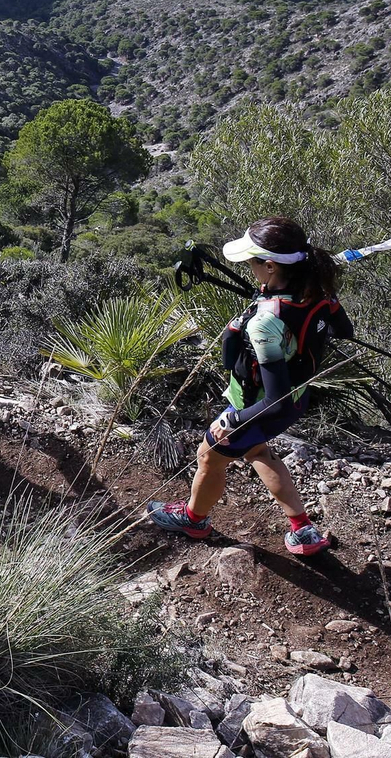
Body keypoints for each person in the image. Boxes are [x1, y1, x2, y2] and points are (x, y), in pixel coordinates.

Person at [148, 217, 353, 556]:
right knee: (257, 452)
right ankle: (302, 530)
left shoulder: (265, 322)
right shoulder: (317, 293)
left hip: (258, 406)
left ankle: (193, 519)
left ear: (270, 266)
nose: (249, 268)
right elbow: (344, 330)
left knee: (208, 456)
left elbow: (275, 399)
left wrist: (234, 420)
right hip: (298, 396)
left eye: (252, 262)